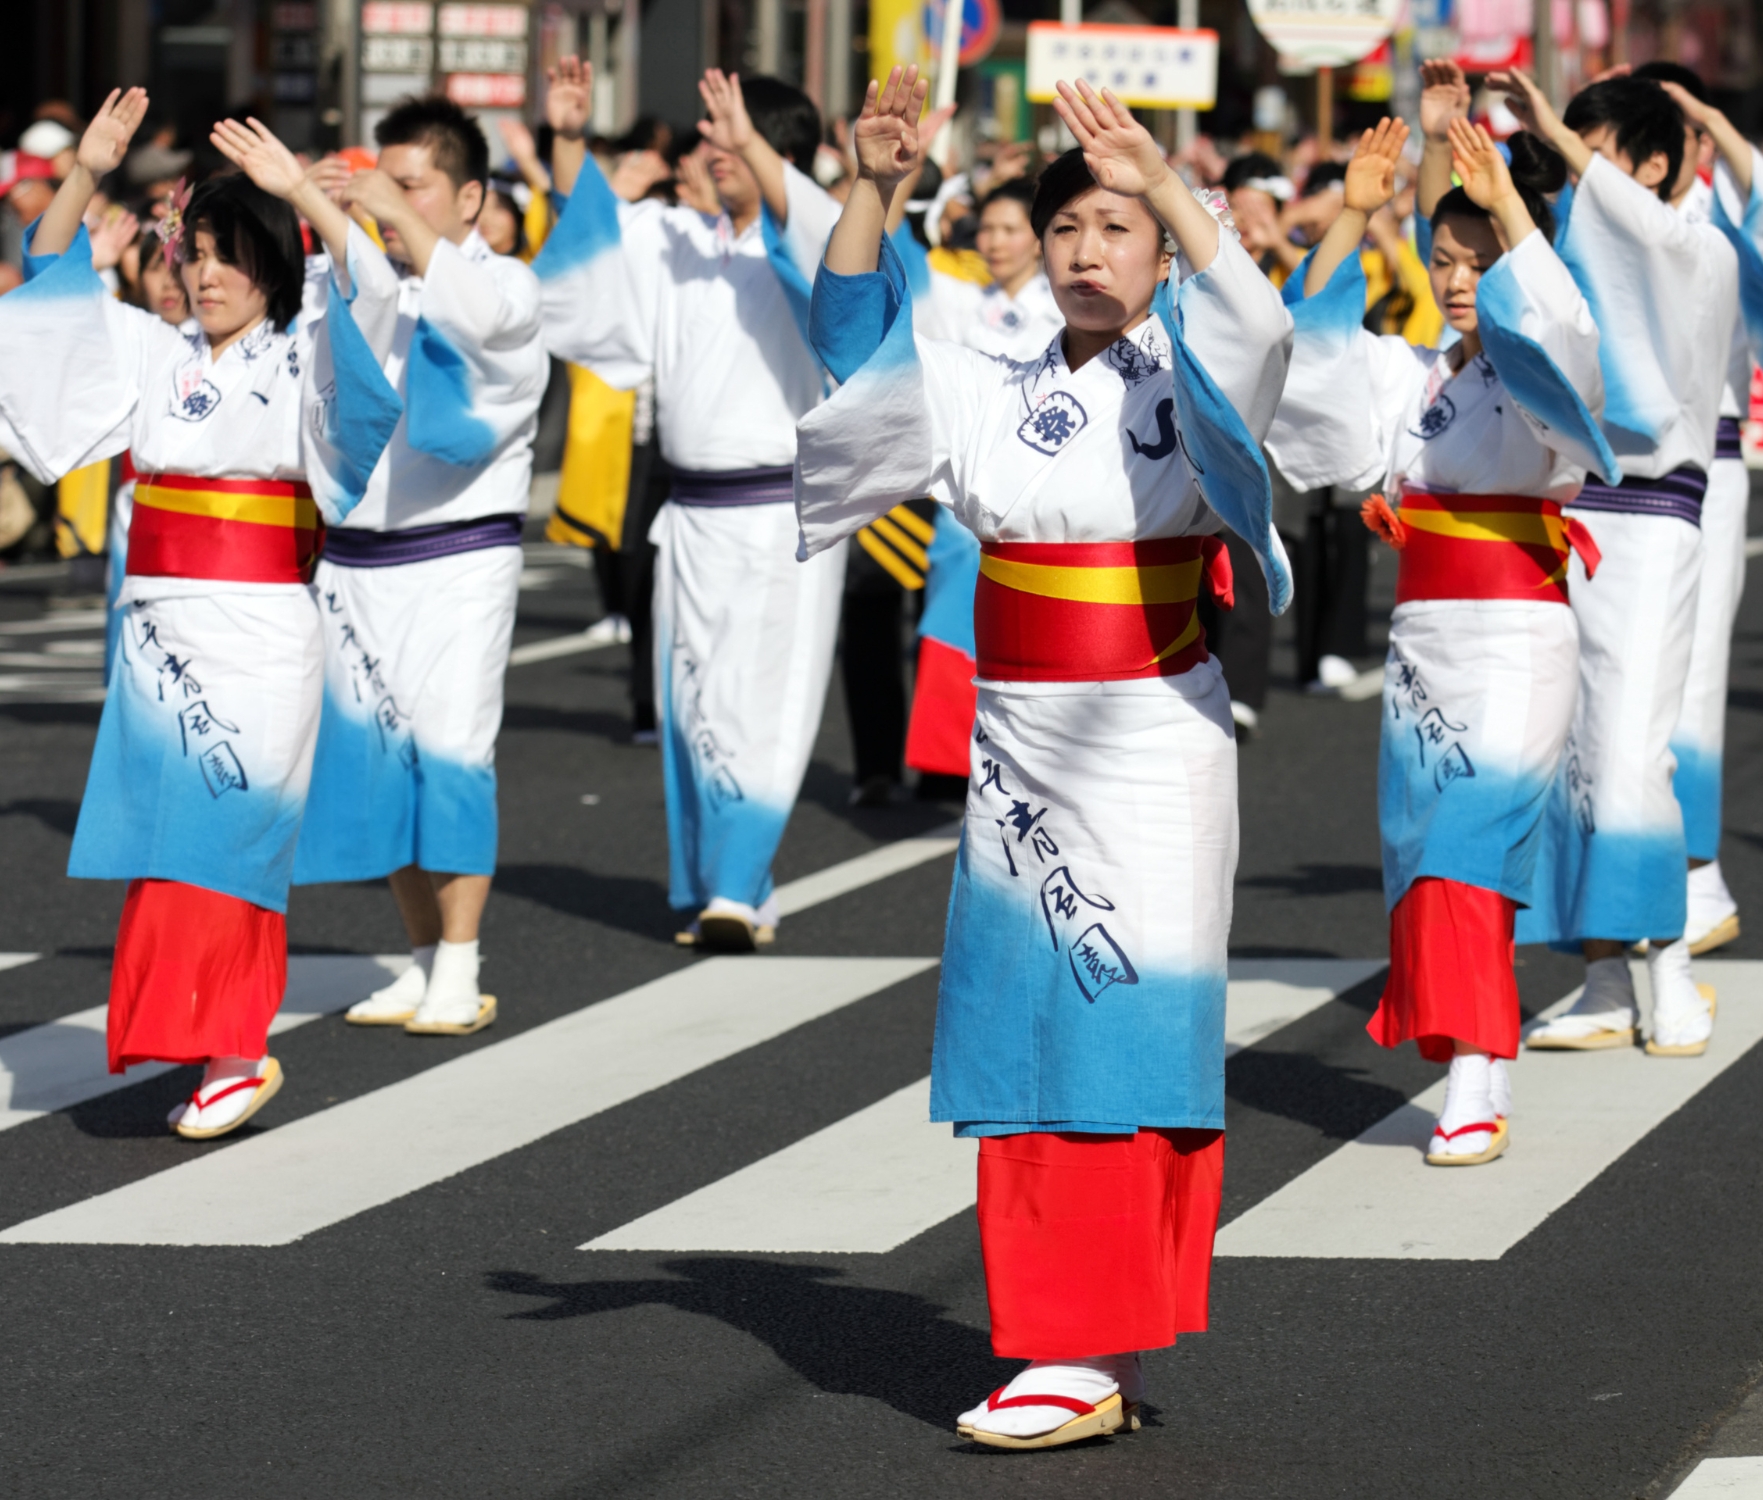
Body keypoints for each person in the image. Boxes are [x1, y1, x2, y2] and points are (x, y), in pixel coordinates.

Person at [797, 67, 1291, 1448]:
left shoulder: (1196, 377)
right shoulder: (984, 378)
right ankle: (1063, 1339)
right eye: (1066, 227)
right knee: (1021, 1021)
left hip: (1147, 729)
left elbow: (1249, 331)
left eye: (1114, 230)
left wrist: (1177, 197)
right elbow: (852, 340)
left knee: (1113, 1012)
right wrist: (872, 188)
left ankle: (1082, 1343)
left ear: (1157, 250)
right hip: (1016, 737)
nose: (1084, 250)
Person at [0, 90, 399, 1138]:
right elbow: (45, 281)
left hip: (262, 630)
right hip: (160, 634)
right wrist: (84, 172)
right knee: (169, 845)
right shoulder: (155, 351)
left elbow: (383, 294)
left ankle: (239, 1046)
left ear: (272, 263)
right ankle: (210, 1039)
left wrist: (302, 191)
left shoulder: (307, 349)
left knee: (233, 838)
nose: (208, 273)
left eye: (231, 254)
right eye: (198, 253)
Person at [1268, 117, 1612, 1164]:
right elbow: (1306, 353)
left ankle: (1474, 1073)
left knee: (1470, 847)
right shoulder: (1404, 374)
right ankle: (1483, 1055)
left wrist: (1506, 200)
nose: (1458, 279)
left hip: (1514, 631)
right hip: (1422, 639)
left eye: (1480, 261)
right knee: (1427, 861)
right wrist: (1352, 210)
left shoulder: (1545, 363)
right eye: (1443, 260)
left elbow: (1556, 330)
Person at [534, 59, 847, 952]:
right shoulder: (676, 238)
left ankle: (737, 889)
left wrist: (750, 137)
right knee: (696, 697)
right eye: (708, 135)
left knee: (767, 700)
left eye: (727, 136)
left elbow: (840, 266)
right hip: (691, 513)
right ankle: (728, 879)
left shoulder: (816, 242)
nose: (708, 149)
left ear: (777, 150)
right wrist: (566, 142)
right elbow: (592, 237)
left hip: (785, 514)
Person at [293, 96, 548, 1036]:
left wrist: (385, 214)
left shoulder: (506, 285)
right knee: (376, 766)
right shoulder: (357, 283)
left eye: (414, 186)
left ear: (468, 197)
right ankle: (417, 957)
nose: (388, 202)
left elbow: (481, 324)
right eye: (384, 181)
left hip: (460, 559)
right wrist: (308, 205)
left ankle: (462, 961)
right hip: (356, 560)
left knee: (452, 753)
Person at [1497, 71, 1739, 1057]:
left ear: (1648, 163)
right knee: (1567, 749)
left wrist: (1548, 128)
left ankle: (1667, 966)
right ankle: (1599, 974)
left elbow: (1635, 231)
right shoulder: (1571, 250)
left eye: (1592, 155)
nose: (1574, 176)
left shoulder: (1699, 251)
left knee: (1635, 743)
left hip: (1647, 521)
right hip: (1561, 514)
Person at [1634, 61, 1759, 956]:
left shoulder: (1721, 213)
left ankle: (1698, 874)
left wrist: (1714, 126)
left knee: (1691, 680)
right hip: (1609, 481)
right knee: (1626, 688)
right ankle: (1639, 880)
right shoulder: (1604, 214)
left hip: (1705, 472)